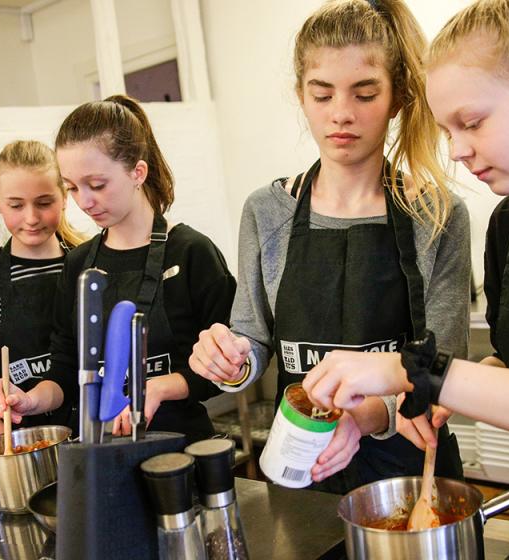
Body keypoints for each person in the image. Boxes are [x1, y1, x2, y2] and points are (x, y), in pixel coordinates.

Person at [302, 0, 509, 539]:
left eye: (472, 123)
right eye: (447, 131)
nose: (457, 151)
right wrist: (452, 394)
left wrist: (418, 372)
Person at [188, 0, 471, 492]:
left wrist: (363, 419)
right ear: (301, 95)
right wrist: (230, 360)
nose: (341, 114)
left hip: (408, 464)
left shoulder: (436, 215)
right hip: (299, 458)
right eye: (322, 95)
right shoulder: (267, 210)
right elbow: (253, 338)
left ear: (398, 96)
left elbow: (445, 369)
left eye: (365, 94)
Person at [0, 95, 236, 443]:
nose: (84, 201)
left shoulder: (191, 253)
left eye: (97, 185)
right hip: (101, 452)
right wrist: (28, 399)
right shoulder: (77, 266)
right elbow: (64, 373)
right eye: (72, 187)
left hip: (182, 453)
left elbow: (226, 369)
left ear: (138, 172)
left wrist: (157, 388)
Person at [0, 140, 85, 437]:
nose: (31, 218)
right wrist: (7, 440)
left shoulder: (91, 264)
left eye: (44, 202)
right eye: (16, 205)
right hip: (25, 444)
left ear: (65, 197)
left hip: (100, 434)